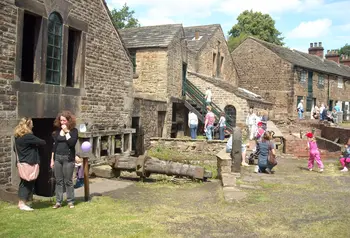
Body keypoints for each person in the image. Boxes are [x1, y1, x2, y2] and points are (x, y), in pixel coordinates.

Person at [14, 117, 46, 211]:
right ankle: (22, 203)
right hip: (29, 162)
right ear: (28, 125)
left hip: (22, 162)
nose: (33, 126)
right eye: (32, 124)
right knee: (27, 183)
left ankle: (23, 202)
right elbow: (42, 142)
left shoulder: (17, 137)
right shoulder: (28, 136)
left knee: (24, 182)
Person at [51, 111, 78, 209]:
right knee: (58, 181)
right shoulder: (57, 132)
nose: (62, 122)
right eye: (61, 120)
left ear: (69, 121)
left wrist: (66, 131)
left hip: (68, 158)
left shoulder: (74, 131)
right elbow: (54, 146)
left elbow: (71, 143)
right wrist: (52, 159)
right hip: (58, 158)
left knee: (68, 181)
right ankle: (58, 202)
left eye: (64, 120)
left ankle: (70, 201)